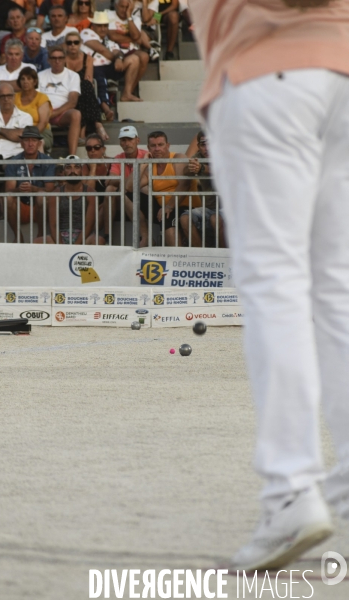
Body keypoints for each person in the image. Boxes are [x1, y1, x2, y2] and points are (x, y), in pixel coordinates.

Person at [190, 0, 349, 571]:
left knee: (274, 284)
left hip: (265, 71)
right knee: (336, 290)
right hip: (341, 67)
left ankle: (289, 489)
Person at [139, 130, 200, 246]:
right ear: (148, 148)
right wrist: (143, 164)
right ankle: (147, 238)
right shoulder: (151, 167)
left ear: (168, 145)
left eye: (160, 145)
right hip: (164, 208)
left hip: (185, 206)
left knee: (167, 217)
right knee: (130, 196)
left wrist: (168, 207)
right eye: (153, 146)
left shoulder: (178, 158)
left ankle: (184, 257)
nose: (157, 149)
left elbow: (184, 184)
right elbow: (129, 187)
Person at [35, 154, 103, 244]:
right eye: (68, 167)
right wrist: (63, 247)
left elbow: (88, 225)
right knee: (37, 242)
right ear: (64, 171)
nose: (73, 171)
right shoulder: (56, 193)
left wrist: (76, 245)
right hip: (61, 235)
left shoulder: (90, 193)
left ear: (82, 170)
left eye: (76, 167)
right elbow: (54, 225)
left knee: (98, 240)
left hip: (84, 236)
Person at [5, 125, 56, 242]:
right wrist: (20, 190)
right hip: (21, 205)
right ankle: (18, 235)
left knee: (41, 196)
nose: (30, 143)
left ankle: (40, 234)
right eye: (27, 140)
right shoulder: (13, 161)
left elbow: (50, 189)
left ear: (39, 143)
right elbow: (9, 190)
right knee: (7, 198)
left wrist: (33, 188)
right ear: (21, 143)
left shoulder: (48, 161)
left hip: (42, 208)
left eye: (34, 140)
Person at [81, 11, 142, 106]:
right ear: (93, 26)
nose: (103, 29)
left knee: (134, 59)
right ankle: (106, 107)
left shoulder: (108, 40)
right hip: (93, 67)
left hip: (109, 67)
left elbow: (118, 51)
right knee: (100, 78)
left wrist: (119, 58)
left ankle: (127, 93)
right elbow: (101, 49)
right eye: (99, 26)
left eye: (105, 26)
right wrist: (116, 59)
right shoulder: (86, 32)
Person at [180, 131, 225, 248]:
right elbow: (185, 171)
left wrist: (201, 168)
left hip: (230, 209)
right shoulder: (198, 157)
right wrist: (191, 168)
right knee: (185, 218)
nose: (207, 148)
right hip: (210, 208)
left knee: (215, 219)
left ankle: (223, 258)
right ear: (199, 147)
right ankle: (203, 256)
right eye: (203, 144)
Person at [105, 124, 148, 245]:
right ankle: (107, 236)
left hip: (142, 195)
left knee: (142, 187)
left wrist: (124, 181)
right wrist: (129, 182)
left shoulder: (146, 155)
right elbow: (110, 180)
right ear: (120, 143)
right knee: (109, 189)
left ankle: (143, 236)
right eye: (123, 140)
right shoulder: (119, 158)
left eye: (130, 139)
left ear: (137, 140)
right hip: (124, 195)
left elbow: (146, 181)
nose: (127, 143)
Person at [64, 30, 107, 141]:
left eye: (76, 42)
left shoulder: (87, 58)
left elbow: (89, 79)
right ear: (66, 44)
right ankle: (97, 124)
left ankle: (82, 132)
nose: (73, 45)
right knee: (83, 88)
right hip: (66, 92)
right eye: (69, 43)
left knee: (85, 86)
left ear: (80, 43)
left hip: (83, 91)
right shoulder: (62, 60)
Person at [38, 45, 81, 155]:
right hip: (42, 112)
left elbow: (72, 102)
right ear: (48, 60)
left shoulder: (73, 76)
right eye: (54, 58)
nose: (57, 61)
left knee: (76, 114)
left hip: (61, 113)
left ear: (65, 59)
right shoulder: (40, 75)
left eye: (60, 58)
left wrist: (54, 113)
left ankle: (72, 156)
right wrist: (46, 113)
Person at [0, 82, 33, 160]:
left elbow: (23, 137)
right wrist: (11, 134)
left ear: (14, 96)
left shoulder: (25, 117)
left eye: (9, 96)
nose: (6, 99)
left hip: (14, 158)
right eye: (2, 96)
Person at [15, 66, 53, 152]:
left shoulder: (42, 98)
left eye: (29, 79)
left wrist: (29, 137)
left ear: (35, 81)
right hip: (18, 132)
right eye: (23, 79)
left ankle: (40, 165)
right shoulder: (14, 97)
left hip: (41, 132)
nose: (25, 81)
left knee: (37, 144)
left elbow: (43, 123)